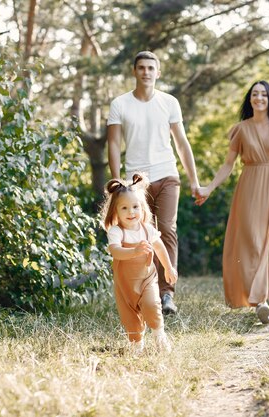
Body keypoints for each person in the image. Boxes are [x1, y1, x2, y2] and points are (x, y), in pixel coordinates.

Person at [107, 50, 200, 315]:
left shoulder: (169, 102)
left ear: (158, 72)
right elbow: (113, 143)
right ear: (134, 71)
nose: (146, 72)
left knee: (167, 229)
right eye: (141, 68)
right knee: (138, 234)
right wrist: (118, 182)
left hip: (167, 174)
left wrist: (194, 181)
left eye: (151, 68)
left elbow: (181, 143)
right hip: (135, 182)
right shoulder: (120, 104)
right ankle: (141, 292)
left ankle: (167, 294)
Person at [195, 80, 269, 324]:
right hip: (248, 187)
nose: (258, 98)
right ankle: (259, 300)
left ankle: (261, 300)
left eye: (263, 94)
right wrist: (209, 187)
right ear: (249, 99)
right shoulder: (241, 129)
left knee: (266, 242)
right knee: (251, 241)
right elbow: (228, 164)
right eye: (254, 94)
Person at [101, 173, 177, 353]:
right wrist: (134, 251)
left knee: (152, 306)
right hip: (125, 284)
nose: (131, 212)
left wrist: (168, 267)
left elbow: (159, 247)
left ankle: (159, 335)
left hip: (146, 279)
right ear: (116, 211)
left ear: (143, 209)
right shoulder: (116, 232)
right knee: (130, 319)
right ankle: (136, 344)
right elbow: (115, 251)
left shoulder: (147, 230)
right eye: (124, 208)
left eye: (135, 207)